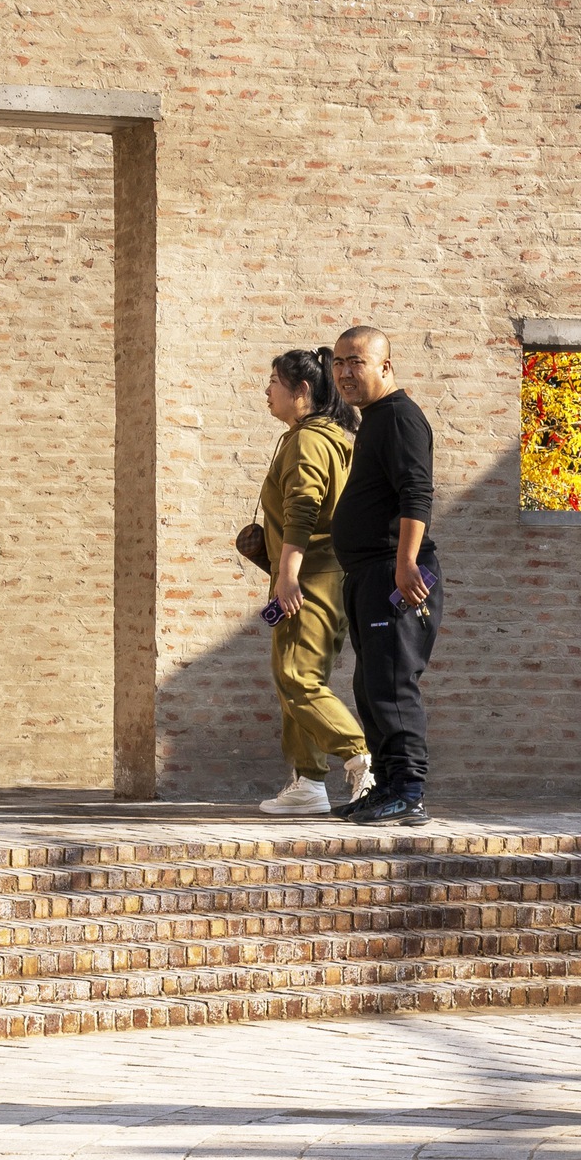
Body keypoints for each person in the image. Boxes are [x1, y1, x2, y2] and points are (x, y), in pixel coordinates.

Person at [253, 346, 372, 816]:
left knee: (296, 676)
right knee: (295, 678)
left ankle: (360, 756)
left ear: (302, 390)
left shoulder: (308, 442)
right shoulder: (320, 437)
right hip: (318, 572)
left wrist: (287, 576)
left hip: (311, 576)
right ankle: (307, 781)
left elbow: (304, 509)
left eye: (274, 382)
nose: (267, 391)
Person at [328, 325, 439, 826]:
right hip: (369, 574)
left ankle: (409, 793)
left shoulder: (398, 417)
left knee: (393, 685)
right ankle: (388, 787)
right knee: (371, 687)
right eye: (340, 362)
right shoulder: (373, 419)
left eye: (357, 361)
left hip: (395, 574)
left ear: (385, 367)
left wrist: (405, 564)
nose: (347, 372)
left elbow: (417, 493)